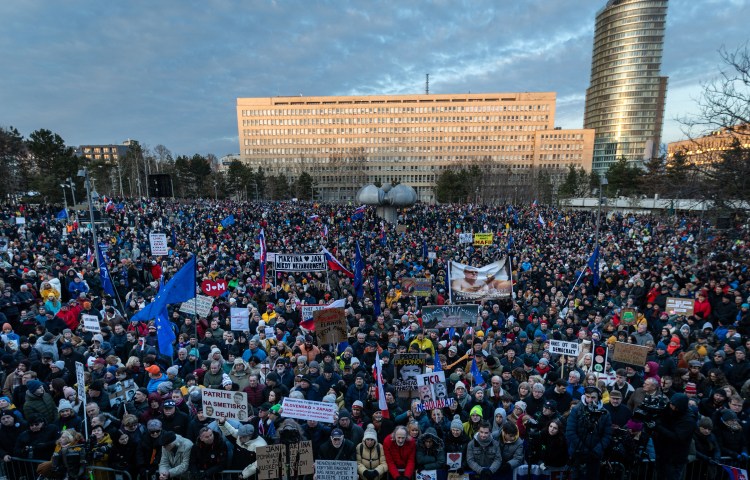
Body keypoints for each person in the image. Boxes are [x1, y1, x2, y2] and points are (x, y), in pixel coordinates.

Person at [565, 386, 612, 480]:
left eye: (593, 397)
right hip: (577, 453)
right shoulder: (576, 409)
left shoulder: (605, 413)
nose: (590, 400)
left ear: (599, 398)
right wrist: (584, 449)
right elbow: (570, 432)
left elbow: (607, 435)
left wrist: (597, 450)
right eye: (587, 397)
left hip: (595, 454)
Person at [651, 393, 697, 480]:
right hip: (662, 454)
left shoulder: (688, 420)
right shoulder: (669, 410)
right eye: (671, 404)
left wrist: (658, 427)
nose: (671, 407)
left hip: (675, 458)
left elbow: (678, 437)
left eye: (674, 405)